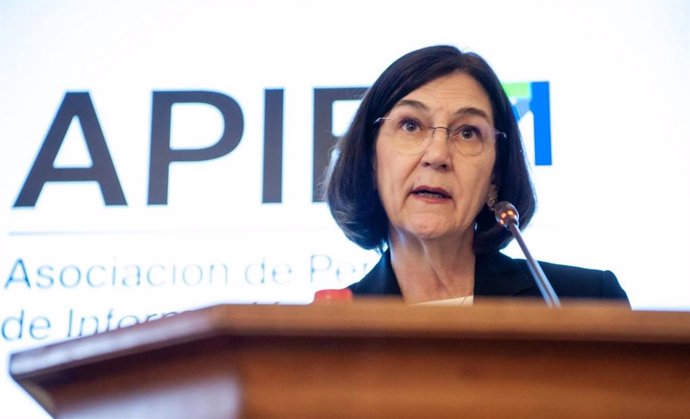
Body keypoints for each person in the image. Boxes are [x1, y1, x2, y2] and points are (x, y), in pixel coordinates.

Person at [325, 45, 628, 305]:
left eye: (468, 132)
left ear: (495, 173)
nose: (437, 156)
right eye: (411, 125)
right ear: (371, 160)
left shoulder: (582, 301)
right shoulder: (327, 332)